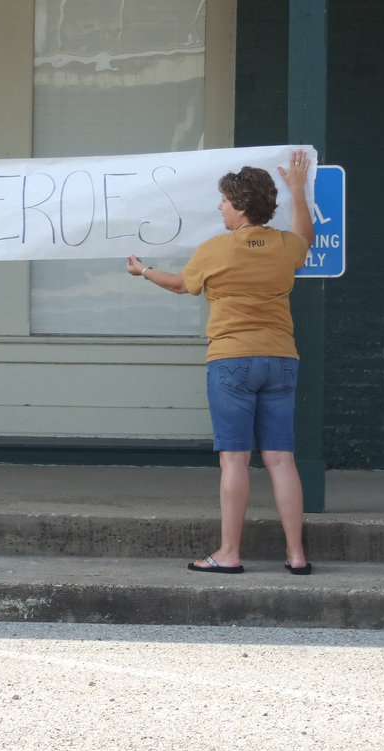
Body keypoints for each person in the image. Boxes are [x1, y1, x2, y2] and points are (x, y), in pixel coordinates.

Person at [125, 148, 315, 576]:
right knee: (281, 459)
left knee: (234, 459)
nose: (219, 207)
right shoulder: (286, 246)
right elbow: (306, 236)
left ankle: (229, 553)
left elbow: (179, 286)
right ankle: (296, 555)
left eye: (225, 202)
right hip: (282, 359)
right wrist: (298, 191)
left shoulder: (215, 250)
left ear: (241, 207)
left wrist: (144, 271)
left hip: (232, 361)